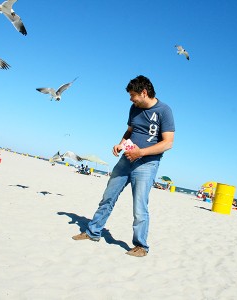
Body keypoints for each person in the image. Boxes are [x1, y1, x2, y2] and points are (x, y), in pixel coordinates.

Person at [72, 75, 175, 257]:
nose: (130, 99)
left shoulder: (164, 111)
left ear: (144, 93)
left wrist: (141, 152)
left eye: (133, 95)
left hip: (146, 164)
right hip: (126, 160)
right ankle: (93, 232)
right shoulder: (134, 108)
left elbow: (168, 143)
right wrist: (121, 143)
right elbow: (129, 131)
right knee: (108, 197)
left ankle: (141, 246)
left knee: (139, 207)